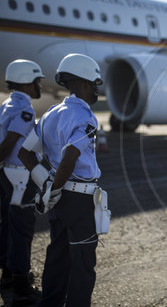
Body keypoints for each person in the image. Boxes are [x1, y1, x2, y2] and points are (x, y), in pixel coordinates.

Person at [18, 53, 104, 306]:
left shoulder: (49, 115)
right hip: (78, 199)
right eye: (96, 84)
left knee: (57, 255)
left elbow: (25, 152)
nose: (97, 90)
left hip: (57, 198)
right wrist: (52, 189)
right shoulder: (86, 117)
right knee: (83, 263)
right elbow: (70, 156)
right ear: (87, 83)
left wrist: (46, 185)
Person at [0, 59, 43, 304]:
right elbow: (10, 142)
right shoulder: (23, 110)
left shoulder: (7, 104)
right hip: (19, 174)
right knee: (21, 229)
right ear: (27, 81)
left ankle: (7, 273)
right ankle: (21, 282)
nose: (39, 85)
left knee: (7, 223)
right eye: (37, 81)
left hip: (6, 173)